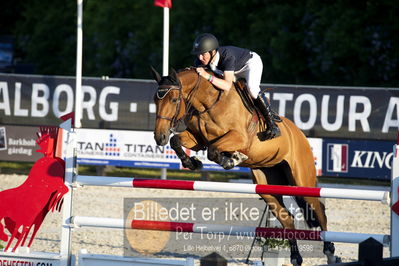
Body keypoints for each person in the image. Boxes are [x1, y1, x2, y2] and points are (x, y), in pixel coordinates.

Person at [191, 33, 281, 140]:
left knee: (252, 89)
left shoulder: (227, 56)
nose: (200, 57)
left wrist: (206, 75)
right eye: (198, 54)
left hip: (249, 64)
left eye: (203, 54)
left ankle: (272, 124)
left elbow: (227, 85)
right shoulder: (201, 61)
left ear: (213, 52)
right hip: (232, 71)